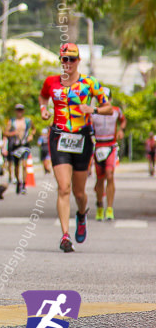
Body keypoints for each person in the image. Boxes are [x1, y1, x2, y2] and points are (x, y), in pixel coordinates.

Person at [39, 42, 112, 253]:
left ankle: (81, 215)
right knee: (64, 188)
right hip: (59, 136)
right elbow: (43, 97)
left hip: (82, 138)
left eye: (72, 59)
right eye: (65, 59)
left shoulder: (90, 83)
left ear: (78, 61)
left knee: (79, 193)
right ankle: (64, 236)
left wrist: (93, 108)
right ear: (60, 61)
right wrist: (44, 110)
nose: (68, 63)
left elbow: (108, 108)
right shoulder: (51, 82)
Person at [90, 87, 125, 221]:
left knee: (110, 175)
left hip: (111, 145)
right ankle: (100, 205)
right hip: (98, 146)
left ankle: (109, 208)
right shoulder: (93, 113)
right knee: (100, 178)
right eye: (101, 98)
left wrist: (121, 130)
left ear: (110, 98)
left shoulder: (116, 111)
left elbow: (123, 120)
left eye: (106, 98)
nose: (103, 101)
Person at [2, 104, 34, 195]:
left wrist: (31, 135)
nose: (19, 112)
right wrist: (13, 133)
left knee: (24, 165)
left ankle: (24, 185)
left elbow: (34, 129)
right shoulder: (11, 121)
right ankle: (18, 182)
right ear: (15, 111)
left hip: (25, 144)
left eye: (21, 110)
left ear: (23, 111)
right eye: (17, 110)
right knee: (16, 166)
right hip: (15, 145)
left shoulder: (28, 121)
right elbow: (5, 133)